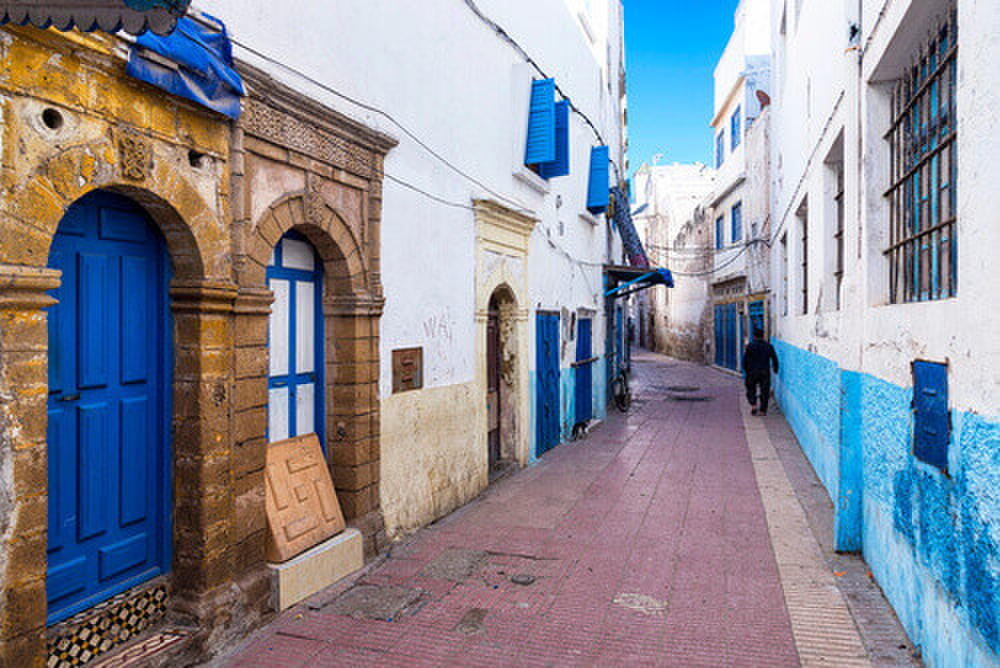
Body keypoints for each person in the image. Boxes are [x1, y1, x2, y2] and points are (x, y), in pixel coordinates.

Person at [742, 328, 779, 415]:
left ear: (754, 336)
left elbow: (745, 359)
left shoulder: (750, 346)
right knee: (764, 390)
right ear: (763, 336)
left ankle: (754, 404)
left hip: (752, 372)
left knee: (750, 388)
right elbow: (774, 358)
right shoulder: (768, 346)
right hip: (764, 372)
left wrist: (745, 369)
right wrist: (775, 368)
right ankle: (763, 410)